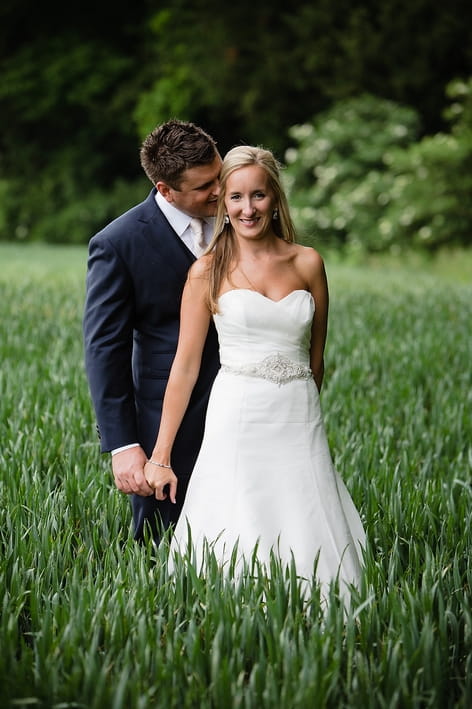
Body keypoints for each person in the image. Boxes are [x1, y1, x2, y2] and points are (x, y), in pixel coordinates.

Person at [144, 145, 365, 597]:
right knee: (239, 509)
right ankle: (234, 603)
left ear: (275, 198)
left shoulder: (308, 262)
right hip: (237, 412)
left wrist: (303, 409)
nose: (248, 209)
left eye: (259, 196)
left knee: (302, 509)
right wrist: (160, 455)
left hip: (297, 412)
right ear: (223, 202)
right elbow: (184, 368)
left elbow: (315, 358)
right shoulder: (206, 271)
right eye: (237, 198)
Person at [83, 119, 221, 544]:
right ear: (166, 190)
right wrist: (124, 445)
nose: (219, 191)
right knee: (163, 548)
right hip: (167, 419)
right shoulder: (118, 244)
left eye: (220, 176)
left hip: (249, 406)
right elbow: (105, 349)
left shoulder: (243, 215)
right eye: (204, 187)